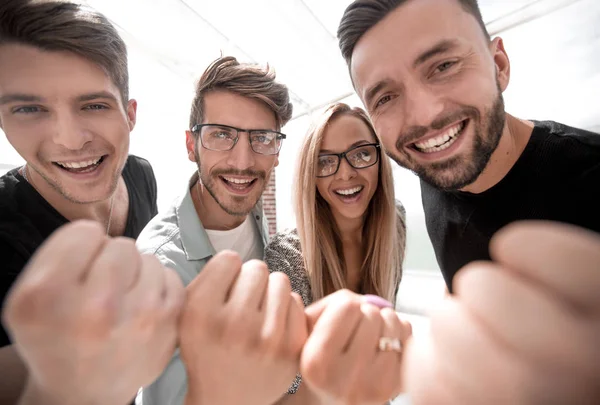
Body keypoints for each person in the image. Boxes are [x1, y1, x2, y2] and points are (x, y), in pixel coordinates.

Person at [337, 0, 600, 403]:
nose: (423, 116)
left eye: (443, 66)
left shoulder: (589, 177)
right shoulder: (435, 173)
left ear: (499, 65)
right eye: (385, 98)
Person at [0, 1, 158, 403]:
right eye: (29, 109)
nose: (70, 140)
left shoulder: (139, 174)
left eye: (93, 105)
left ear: (130, 114)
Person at [136, 55, 294, 405]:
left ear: (276, 150)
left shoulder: (255, 213)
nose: (243, 162)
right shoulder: (160, 269)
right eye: (222, 135)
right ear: (191, 146)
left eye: (262, 138)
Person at [265, 102, 411, 403]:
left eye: (361, 154)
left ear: (379, 158)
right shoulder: (286, 258)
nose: (346, 173)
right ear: (311, 175)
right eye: (325, 161)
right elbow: (282, 395)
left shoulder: (395, 223)